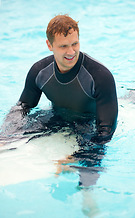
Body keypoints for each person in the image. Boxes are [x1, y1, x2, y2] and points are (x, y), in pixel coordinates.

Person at [1, 14, 118, 145]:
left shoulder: (100, 76)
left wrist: (77, 157)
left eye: (75, 44)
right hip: (56, 119)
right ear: (49, 45)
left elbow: (106, 131)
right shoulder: (39, 72)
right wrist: (6, 135)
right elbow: (22, 107)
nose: (71, 52)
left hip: (88, 126)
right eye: (63, 46)